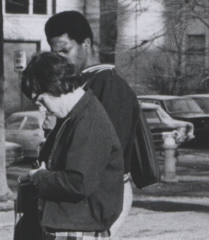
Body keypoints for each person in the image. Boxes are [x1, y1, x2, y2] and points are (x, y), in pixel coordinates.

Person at [44, 11, 140, 237]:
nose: (59, 59)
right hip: (81, 199)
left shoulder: (108, 85)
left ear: (86, 43)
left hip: (97, 201)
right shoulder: (84, 83)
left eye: (65, 50)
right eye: (54, 52)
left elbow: (105, 157)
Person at [20, 51, 124, 240]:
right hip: (72, 225)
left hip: (79, 228)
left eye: (41, 100)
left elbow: (78, 182)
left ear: (54, 87)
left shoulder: (89, 120)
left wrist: (40, 177)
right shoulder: (77, 116)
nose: (43, 109)